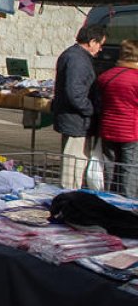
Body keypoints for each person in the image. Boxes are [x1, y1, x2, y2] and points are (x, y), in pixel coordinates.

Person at [53, 24, 107, 190]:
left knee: (75, 164)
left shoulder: (73, 55)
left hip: (74, 119)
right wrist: (91, 110)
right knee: (74, 168)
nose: (101, 49)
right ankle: (70, 196)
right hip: (76, 121)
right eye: (100, 44)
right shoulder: (78, 60)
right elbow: (75, 94)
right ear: (92, 42)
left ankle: (70, 194)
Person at [97, 39, 138, 198]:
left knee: (110, 167)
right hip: (131, 131)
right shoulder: (135, 78)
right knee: (130, 169)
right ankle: (127, 203)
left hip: (108, 128)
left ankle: (108, 199)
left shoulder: (106, 76)